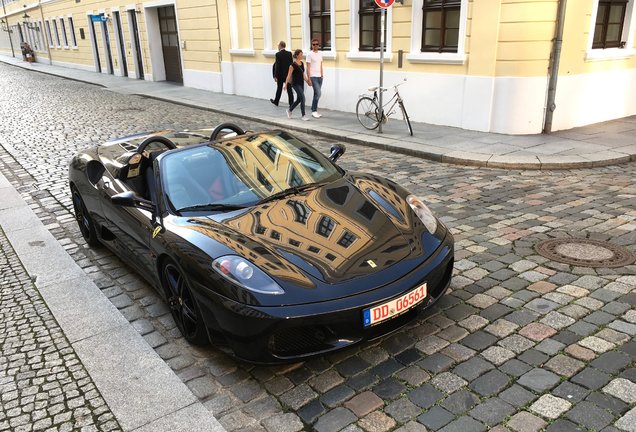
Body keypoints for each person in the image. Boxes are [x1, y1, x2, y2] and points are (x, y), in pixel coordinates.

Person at [284, 49, 312, 121]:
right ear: (297, 55)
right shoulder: (292, 65)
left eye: (302, 54)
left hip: (301, 83)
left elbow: (302, 74)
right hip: (295, 84)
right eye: (301, 54)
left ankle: (289, 110)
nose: (302, 55)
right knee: (303, 98)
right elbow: (288, 75)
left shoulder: (302, 64)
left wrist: (308, 81)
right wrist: (286, 84)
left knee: (299, 99)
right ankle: (303, 115)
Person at [270, 41, 294, 107]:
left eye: (278, 46)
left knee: (279, 88)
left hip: (280, 75)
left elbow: (277, 66)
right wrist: (291, 74)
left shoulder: (278, 54)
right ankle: (291, 103)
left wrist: (275, 75)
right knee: (289, 89)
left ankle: (276, 101)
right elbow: (291, 64)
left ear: (280, 46)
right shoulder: (289, 53)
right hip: (288, 74)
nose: (278, 47)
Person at [306, 38, 324, 118]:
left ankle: (314, 110)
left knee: (316, 94)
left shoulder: (320, 53)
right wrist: (308, 79)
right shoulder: (309, 54)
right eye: (313, 44)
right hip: (313, 76)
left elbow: (320, 64)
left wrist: (322, 74)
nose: (315, 46)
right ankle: (314, 110)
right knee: (318, 93)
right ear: (311, 45)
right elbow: (308, 67)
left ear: (318, 45)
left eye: (317, 44)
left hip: (319, 76)